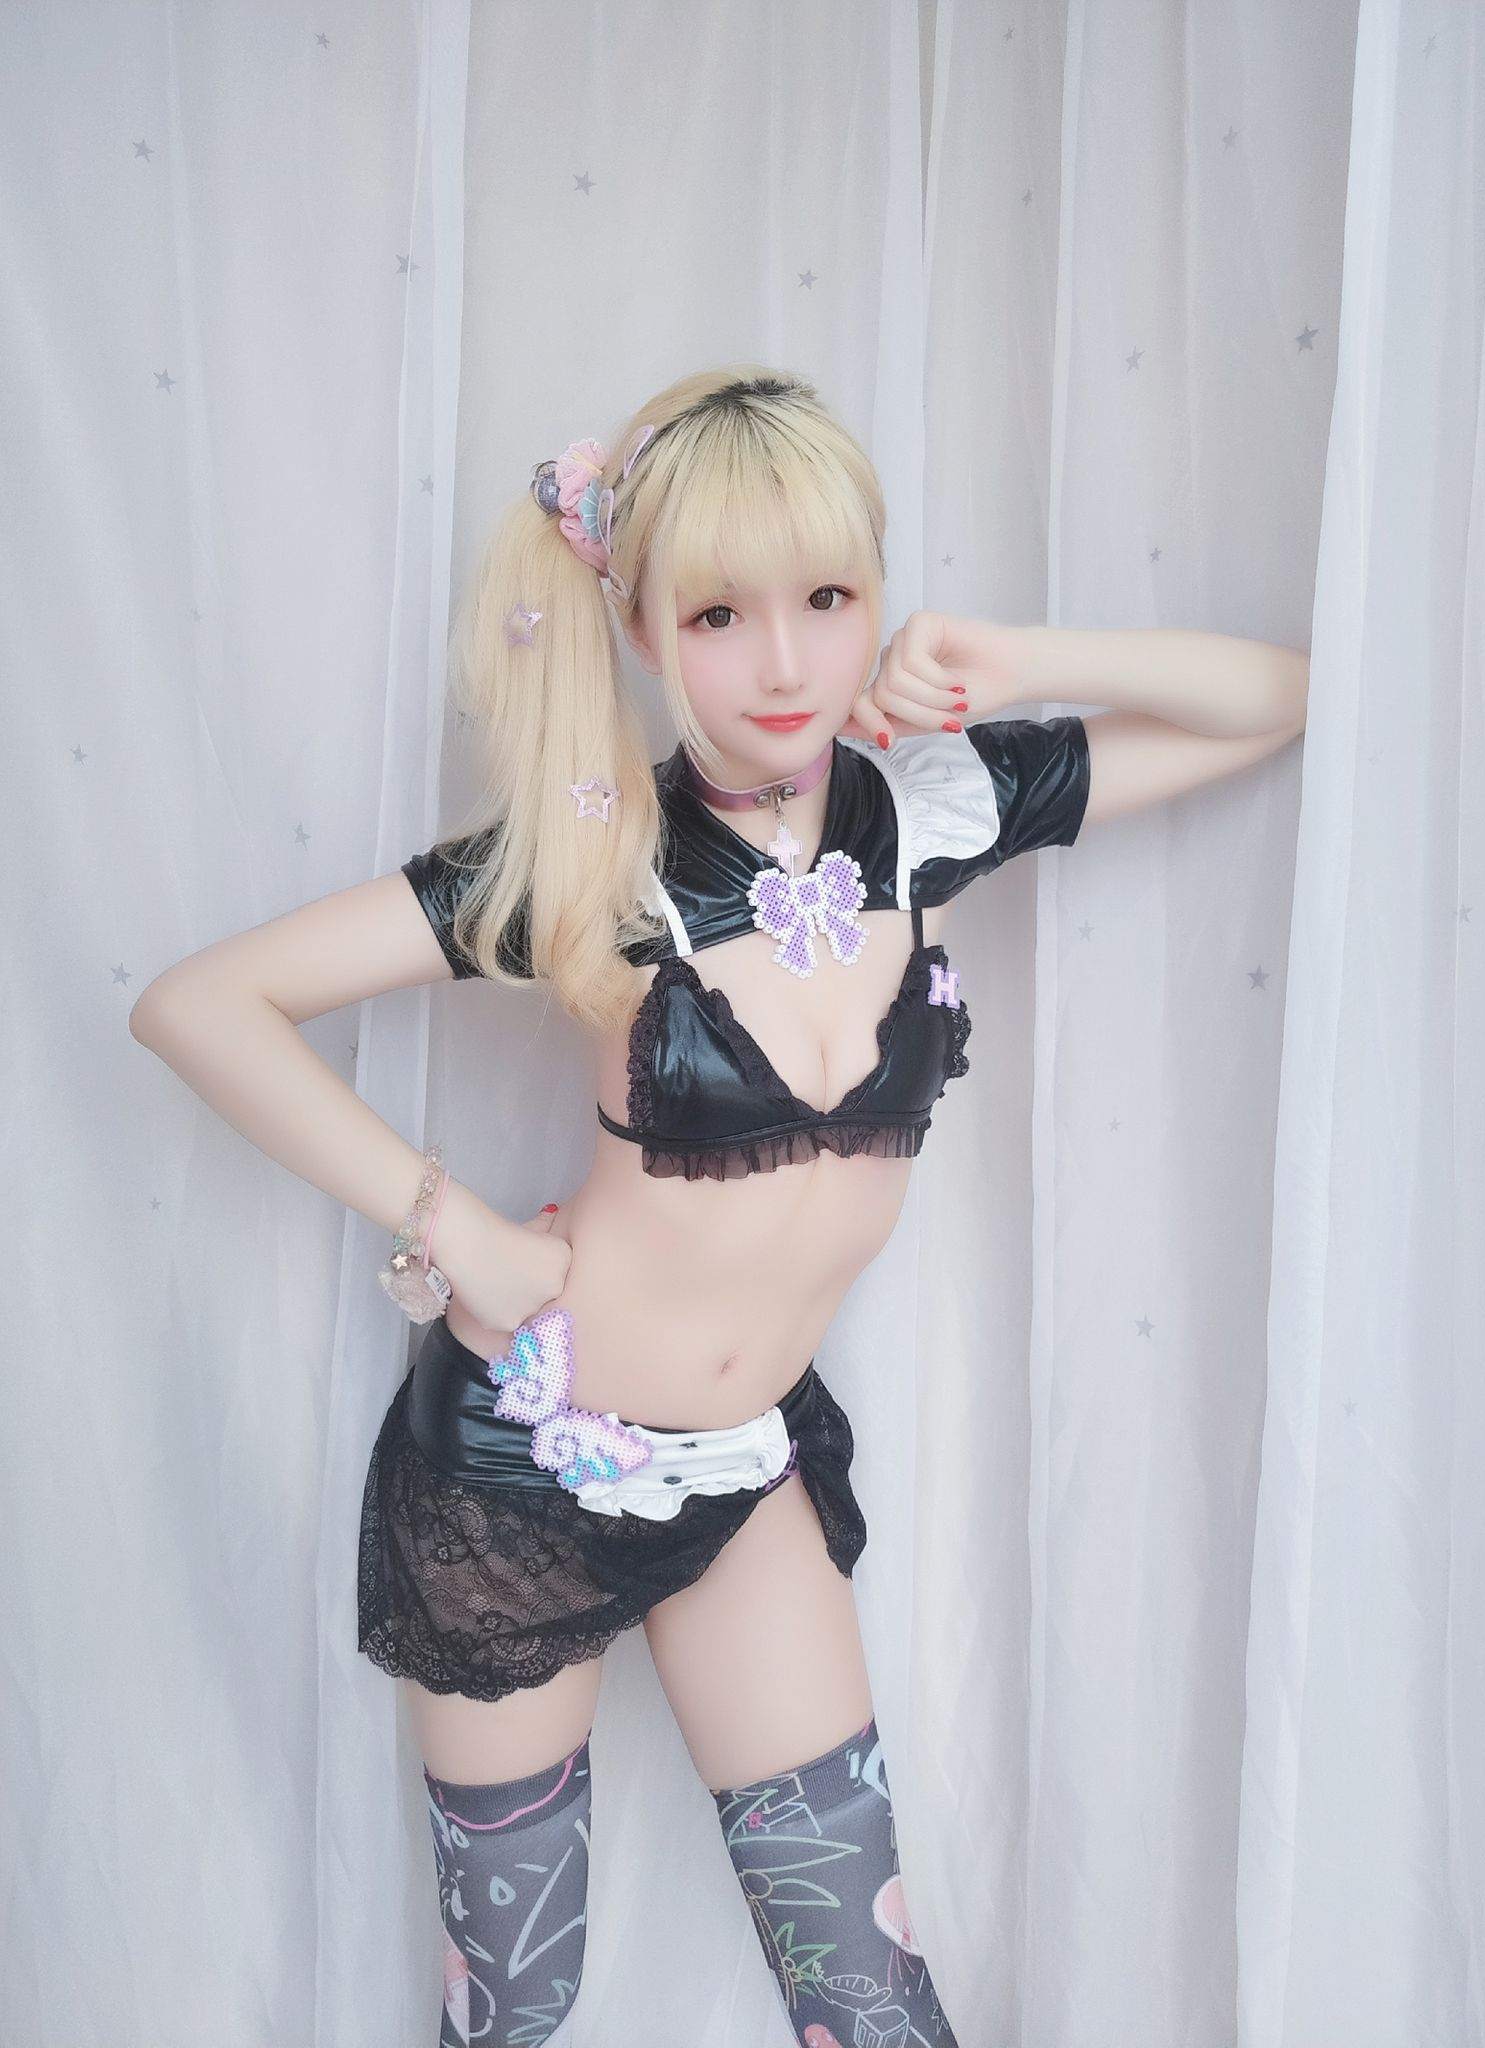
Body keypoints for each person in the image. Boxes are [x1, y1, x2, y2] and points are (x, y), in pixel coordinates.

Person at [129, 366, 1308, 2046]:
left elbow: (1277, 700)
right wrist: (456, 1227)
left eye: (828, 599)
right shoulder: (592, 860)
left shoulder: (928, 814)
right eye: (718, 615)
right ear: (639, 625)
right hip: (527, 1469)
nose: (785, 665)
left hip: (745, 1466)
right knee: (517, 2005)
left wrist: (1026, 657)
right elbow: (198, 1005)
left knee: (869, 1996)